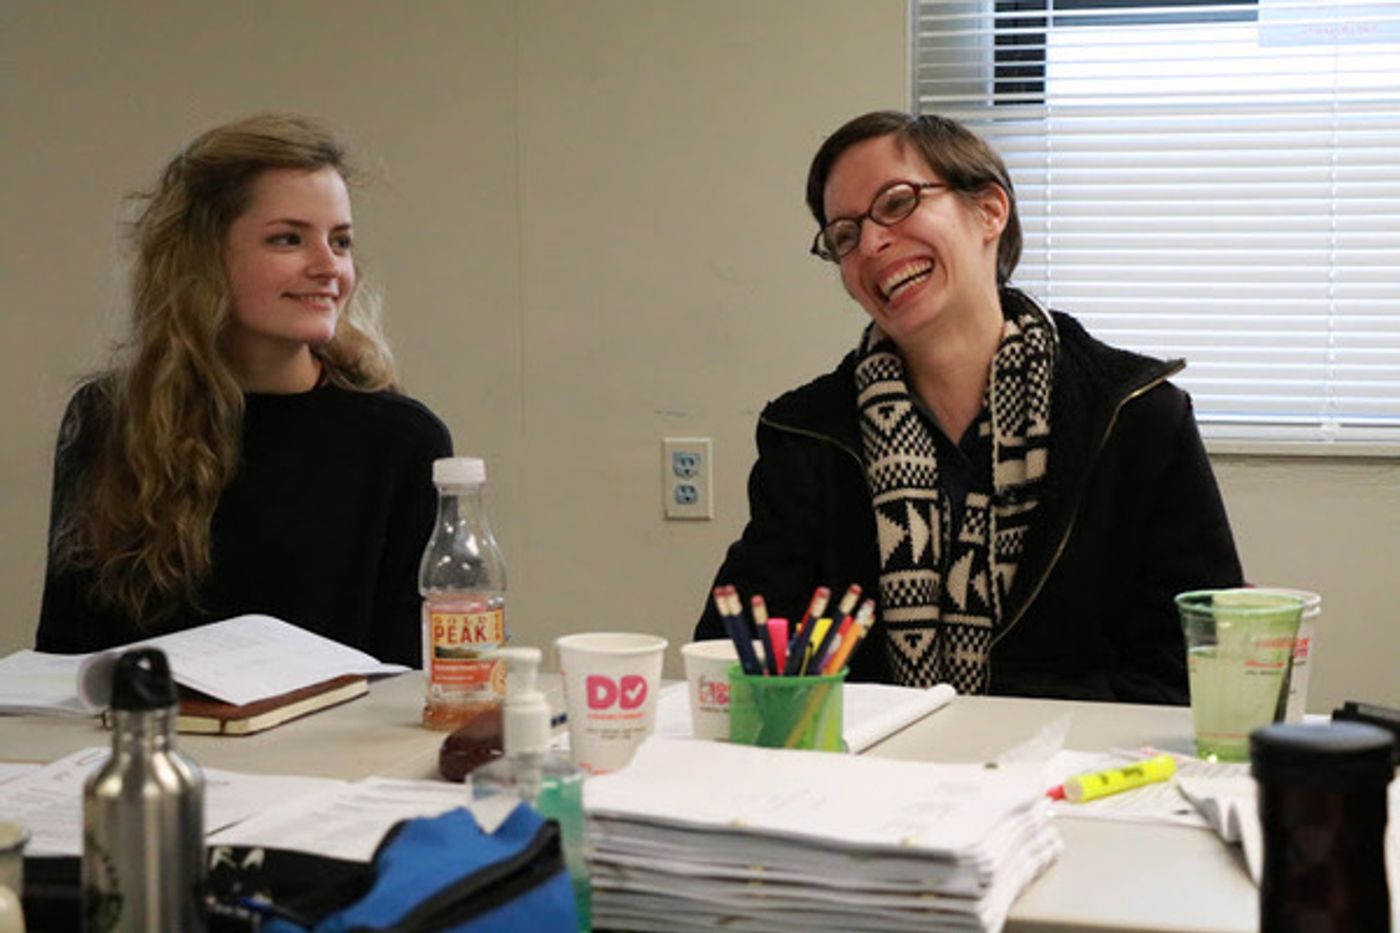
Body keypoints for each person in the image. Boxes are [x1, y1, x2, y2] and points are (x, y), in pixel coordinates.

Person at [695, 111, 1243, 704]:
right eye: (845, 235)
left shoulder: (1136, 415)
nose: (872, 243)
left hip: (1072, 775)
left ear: (989, 210)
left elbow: (1195, 668)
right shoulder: (807, 434)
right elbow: (734, 653)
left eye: (897, 203)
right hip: (866, 774)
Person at [36, 113, 451, 666]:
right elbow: (63, 660)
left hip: (337, 752)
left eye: (341, 241)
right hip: (145, 749)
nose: (329, 266)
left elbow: (418, 677)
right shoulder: (108, 420)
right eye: (288, 239)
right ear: (204, 258)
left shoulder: (401, 440)